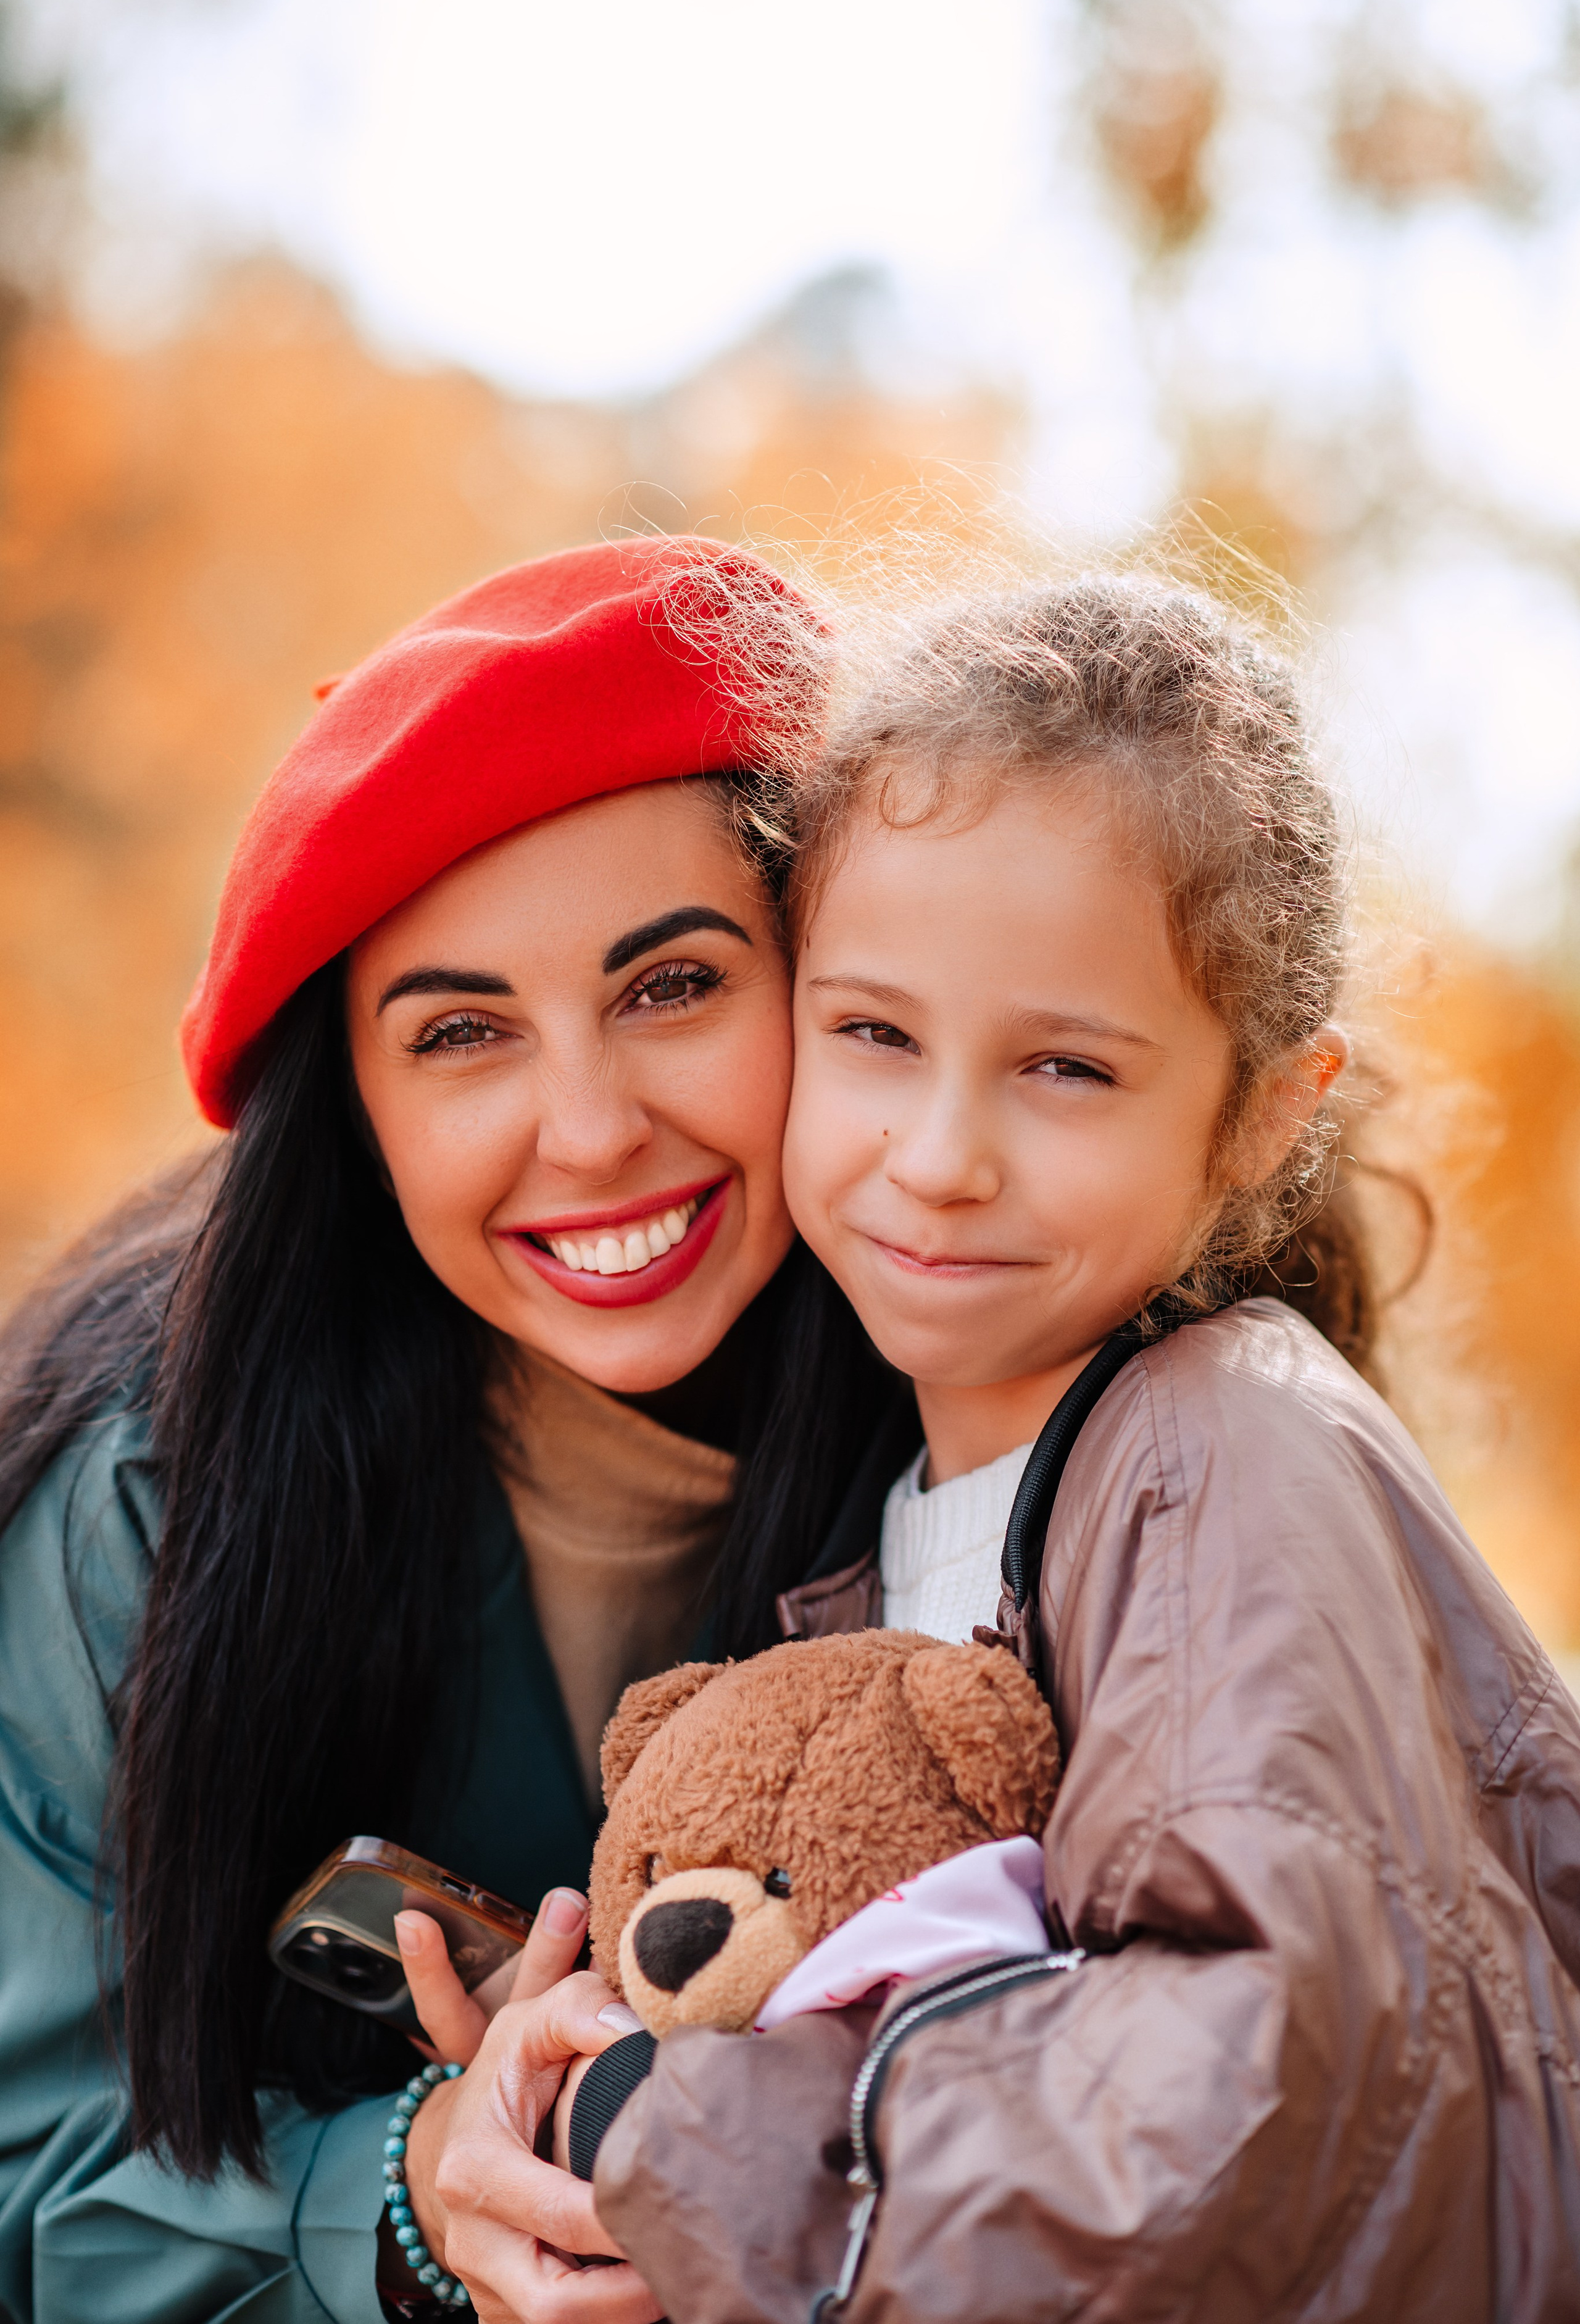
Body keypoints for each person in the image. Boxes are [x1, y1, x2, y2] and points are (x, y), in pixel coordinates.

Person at [562, 576, 1580, 2320]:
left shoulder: (1221, 1447)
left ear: (1262, 1110)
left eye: (1066, 1070)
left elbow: (1243, 2108)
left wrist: (691, 2135)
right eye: (875, 1032)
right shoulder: (903, 1505)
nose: (942, 1154)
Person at [0, 537, 910, 2324]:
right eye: (463, 1033)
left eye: (671, 986)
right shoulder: (134, 1499)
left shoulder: (1029, 1415)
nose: (585, 1130)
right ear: (354, 1109)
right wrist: (407, 2194)